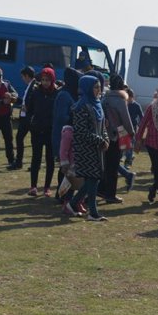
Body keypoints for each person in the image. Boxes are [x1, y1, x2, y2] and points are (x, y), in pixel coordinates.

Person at [66, 76, 110, 221]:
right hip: (85, 148)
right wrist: (99, 140)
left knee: (94, 179)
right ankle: (93, 212)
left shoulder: (97, 104)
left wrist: (105, 138)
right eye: (95, 87)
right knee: (93, 177)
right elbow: (81, 131)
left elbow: (102, 126)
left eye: (99, 87)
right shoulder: (81, 106)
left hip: (97, 147)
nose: (98, 90)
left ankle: (72, 204)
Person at [101, 74, 136, 203]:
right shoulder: (121, 99)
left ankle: (102, 190)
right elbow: (126, 119)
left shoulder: (105, 98)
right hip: (116, 136)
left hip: (104, 135)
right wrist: (132, 133)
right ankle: (110, 195)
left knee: (106, 166)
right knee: (114, 167)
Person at [51, 67, 82, 199]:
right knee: (64, 167)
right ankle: (62, 194)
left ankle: (61, 194)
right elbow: (61, 117)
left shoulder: (68, 93)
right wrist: (75, 116)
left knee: (65, 167)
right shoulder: (64, 95)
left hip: (66, 135)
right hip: (62, 136)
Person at [27, 67, 58, 197]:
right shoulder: (36, 92)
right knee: (36, 158)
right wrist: (31, 123)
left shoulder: (57, 93)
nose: (45, 82)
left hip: (50, 130)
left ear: (52, 80)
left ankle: (46, 187)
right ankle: (33, 186)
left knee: (50, 160)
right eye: (43, 80)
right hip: (37, 130)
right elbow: (29, 108)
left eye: (48, 80)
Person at [8, 66, 36, 170]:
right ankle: (19, 162)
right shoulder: (31, 85)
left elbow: (33, 102)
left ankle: (22, 162)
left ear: (27, 76)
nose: (22, 79)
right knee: (21, 138)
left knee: (28, 140)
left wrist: (27, 107)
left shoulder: (34, 86)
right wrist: (16, 100)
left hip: (29, 118)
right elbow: (24, 102)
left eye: (23, 77)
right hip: (25, 117)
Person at [124, 88, 143, 169]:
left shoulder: (136, 105)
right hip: (123, 127)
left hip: (133, 128)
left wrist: (142, 125)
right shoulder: (124, 104)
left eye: (130, 97)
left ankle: (128, 161)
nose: (128, 99)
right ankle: (129, 156)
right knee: (124, 145)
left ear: (132, 97)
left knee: (130, 145)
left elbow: (141, 116)